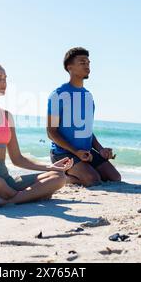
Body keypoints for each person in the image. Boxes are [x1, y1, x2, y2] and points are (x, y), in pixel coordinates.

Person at [0, 62, 73, 208]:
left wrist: (50, 167)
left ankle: (9, 199)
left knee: (59, 177)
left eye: (5, 78)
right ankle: (25, 196)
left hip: (5, 181)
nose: (4, 83)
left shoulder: (7, 116)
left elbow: (18, 159)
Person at [47, 47, 122, 187]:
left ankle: (82, 169)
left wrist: (101, 150)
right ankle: (60, 175)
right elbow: (51, 132)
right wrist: (76, 152)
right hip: (63, 153)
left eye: (88, 62)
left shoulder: (88, 96)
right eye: (82, 62)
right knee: (93, 180)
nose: (87, 65)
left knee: (115, 178)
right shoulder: (58, 95)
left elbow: (86, 130)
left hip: (86, 153)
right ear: (70, 67)